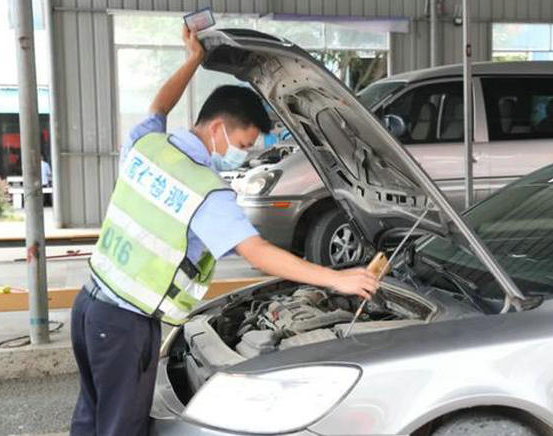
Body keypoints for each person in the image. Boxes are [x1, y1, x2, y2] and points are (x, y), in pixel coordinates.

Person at [69, 26, 379, 436]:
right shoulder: (205, 191)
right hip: (126, 324)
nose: (246, 154)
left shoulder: (147, 145)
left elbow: (158, 106)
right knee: (120, 429)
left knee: (92, 418)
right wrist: (335, 278)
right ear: (217, 129)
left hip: (89, 309)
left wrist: (192, 59)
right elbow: (256, 252)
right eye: (245, 143)